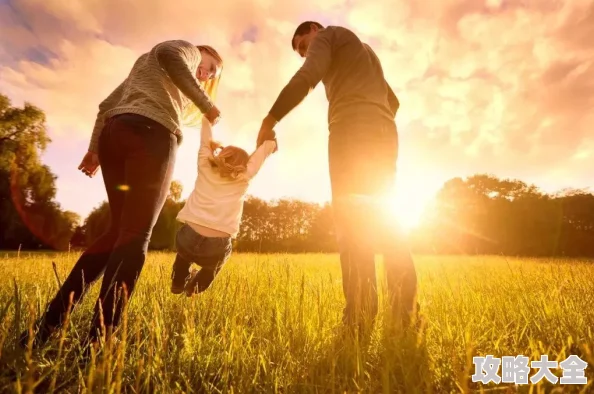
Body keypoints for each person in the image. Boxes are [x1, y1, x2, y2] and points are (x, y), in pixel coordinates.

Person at [20, 40, 224, 349]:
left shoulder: (146, 69)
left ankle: (48, 325)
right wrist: (205, 103)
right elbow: (171, 55)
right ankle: (98, 341)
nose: (206, 75)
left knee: (117, 231)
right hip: (152, 134)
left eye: (211, 75)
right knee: (136, 235)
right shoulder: (184, 49)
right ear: (200, 52)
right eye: (209, 67)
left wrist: (93, 150)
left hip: (115, 134)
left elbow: (105, 105)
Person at [256, 22, 418, 330]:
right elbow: (393, 101)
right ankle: (405, 318)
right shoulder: (364, 51)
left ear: (315, 30)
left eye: (304, 46)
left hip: (351, 130)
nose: (305, 54)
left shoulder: (328, 35)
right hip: (384, 131)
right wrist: (374, 116)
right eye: (302, 52)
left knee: (354, 225)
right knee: (388, 221)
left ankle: (359, 320)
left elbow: (308, 76)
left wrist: (270, 117)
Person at [171, 117, 277, 297]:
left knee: (183, 256)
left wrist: (207, 119)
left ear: (221, 155)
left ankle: (178, 282)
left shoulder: (205, 165)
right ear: (244, 165)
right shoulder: (244, 177)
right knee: (213, 266)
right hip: (217, 244)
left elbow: (205, 140)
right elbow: (260, 157)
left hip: (188, 237)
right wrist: (269, 143)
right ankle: (194, 289)